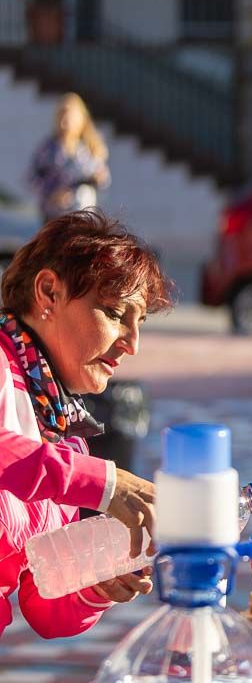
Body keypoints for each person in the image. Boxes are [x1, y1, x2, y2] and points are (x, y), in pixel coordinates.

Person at [0, 210, 172, 639]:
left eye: (141, 322)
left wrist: (95, 585)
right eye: (115, 313)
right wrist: (103, 483)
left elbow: (40, 603)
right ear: (48, 292)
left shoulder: (60, 426)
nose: (132, 344)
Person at [27, 93, 111, 223]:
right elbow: (33, 177)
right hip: (55, 217)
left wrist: (98, 179)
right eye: (61, 117)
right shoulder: (48, 149)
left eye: (69, 118)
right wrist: (52, 193)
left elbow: (103, 180)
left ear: (81, 120)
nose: (64, 123)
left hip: (83, 215)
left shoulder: (89, 149)